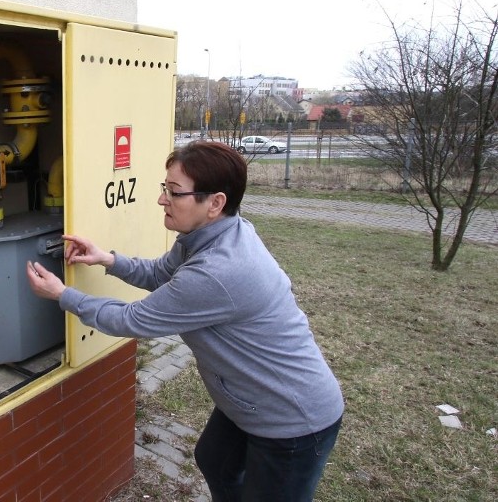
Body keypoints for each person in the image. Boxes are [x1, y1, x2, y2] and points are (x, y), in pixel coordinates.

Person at [26, 140, 344, 501]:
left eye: (174, 192)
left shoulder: (218, 271)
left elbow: (131, 320)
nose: (162, 199)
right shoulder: (206, 236)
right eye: (165, 188)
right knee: (215, 460)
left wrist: (61, 294)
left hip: (292, 419)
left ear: (215, 203)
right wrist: (107, 259)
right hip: (250, 401)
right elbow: (160, 272)